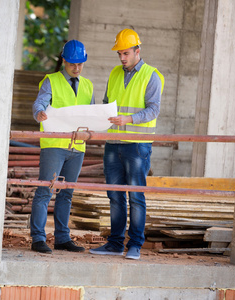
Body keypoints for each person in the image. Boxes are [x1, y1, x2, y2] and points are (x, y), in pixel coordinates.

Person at [89, 29, 164, 259]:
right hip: (113, 142)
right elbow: (106, 103)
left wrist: (129, 119)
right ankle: (115, 244)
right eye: (120, 53)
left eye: (126, 53)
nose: (122, 57)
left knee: (136, 196)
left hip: (137, 145)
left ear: (137, 51)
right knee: (114, 195)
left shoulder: (152, 75)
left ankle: (135, 246)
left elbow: (153, 109)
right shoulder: (113, 74)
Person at [30, 40, 94, 253]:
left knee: (66, 193)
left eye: (80, 64)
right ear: (64, 60)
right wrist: (39, 113)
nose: (76, 68)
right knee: (45, 191)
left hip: (77, 147)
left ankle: (62, 238)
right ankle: (38, 238)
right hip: (54, 145)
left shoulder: (87, 85)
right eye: (72, 64)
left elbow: (91, 114)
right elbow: (40, 102)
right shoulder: (51, 81)